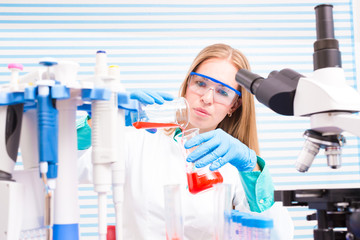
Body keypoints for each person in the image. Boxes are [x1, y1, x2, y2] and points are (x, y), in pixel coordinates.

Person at [77, 43, 294, 239]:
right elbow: (64, 167)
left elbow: (276, 235)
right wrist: (100, 121)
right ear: (187, 84)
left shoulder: (235, 163)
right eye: (200, 83)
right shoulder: (137, 140)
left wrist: (251, 167)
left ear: (234, 106)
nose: (207, 99)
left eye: (222, 92)